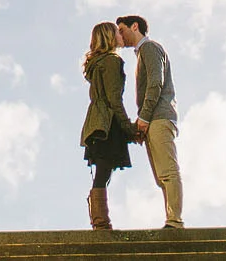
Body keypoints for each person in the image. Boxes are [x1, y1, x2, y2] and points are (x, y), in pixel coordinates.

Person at [116, 14, 183, 228]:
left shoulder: (150, 48)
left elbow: (156, 83)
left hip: (159, 117)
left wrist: (143, 119)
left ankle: (174, 221)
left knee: (167, 171)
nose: (120, 35)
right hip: (154, 118)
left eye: (122, 29)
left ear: (135, 26)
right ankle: (171, 220)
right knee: (160, 176)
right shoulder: (142, 53)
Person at [78, 20, 133, 229]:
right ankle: (100, 222)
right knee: (103, 172)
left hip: (94, 122)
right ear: (110, 37)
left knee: (103, 170)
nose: (121, 36)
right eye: (117, 33)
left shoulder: (96, 62)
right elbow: (114, 100)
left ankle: (99, 220)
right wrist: (129, 128)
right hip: (107, 123)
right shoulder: (111, 61)